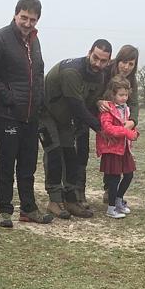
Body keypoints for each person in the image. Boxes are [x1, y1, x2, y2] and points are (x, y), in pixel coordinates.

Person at [0, 0, 51, 228]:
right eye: (24, 17)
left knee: (28, 164)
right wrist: (8, 98)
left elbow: (38, 73)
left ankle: (28, 208)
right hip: (6, 113)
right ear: (16, 14)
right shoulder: (0, 39)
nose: (27, 23)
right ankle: (4, 210)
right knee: (6, 163)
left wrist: (39, 103)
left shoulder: (34, 41)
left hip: (30, 114)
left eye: (32, 20)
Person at [39, 40, 112, 219]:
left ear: (108, 62)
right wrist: (99, 128)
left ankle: (70, 200)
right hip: (45, 113)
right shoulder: (72, 72)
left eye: (103, 61)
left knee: (71, 156)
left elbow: (90, 104)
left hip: (65, 118)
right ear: (89, 53)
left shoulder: (100, 76)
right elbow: (77, 106)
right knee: (54, 154)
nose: (98, 64)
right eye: (95, 58)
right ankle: (54, 201)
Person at [100, 45, 140, 205]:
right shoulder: (105, 70)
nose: (126, 67)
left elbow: (135, 102)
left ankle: (112, 193)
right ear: (118, 60)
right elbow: (96, 92)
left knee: (120, 160)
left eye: (131, 64)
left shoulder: (132, 79)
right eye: (124, 62)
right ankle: (109, 191)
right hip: (103, 120)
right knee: (110, 158)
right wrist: (98, 102)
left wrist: (133, 121)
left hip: (122, 122)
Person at [96, 76, 140, 219]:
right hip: (112, 149)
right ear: (113, 94)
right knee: (114, 179)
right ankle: (111, 208)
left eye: (126, 95)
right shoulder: (107, 109)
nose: (124, 98)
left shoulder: (126, 109)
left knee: (129, 174)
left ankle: (119, 199)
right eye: (121, 95)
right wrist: (127, 132)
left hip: (124, 148)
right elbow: (108, 129)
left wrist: (135, 132)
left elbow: (130, 125)